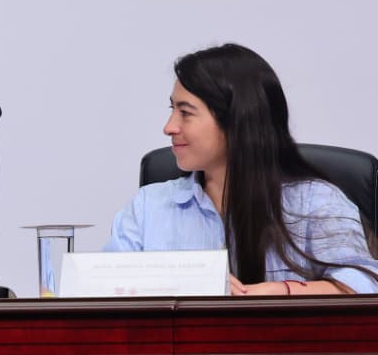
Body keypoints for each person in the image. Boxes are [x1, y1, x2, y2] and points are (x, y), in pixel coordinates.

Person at [105, 43, 378, 294]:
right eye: (172, 109)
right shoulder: (147, 207)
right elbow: (102, 288)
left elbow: (365, 283)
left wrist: (283, 291)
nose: (169, 127)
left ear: (236, 121)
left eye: (185, 113)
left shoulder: (315, 201)